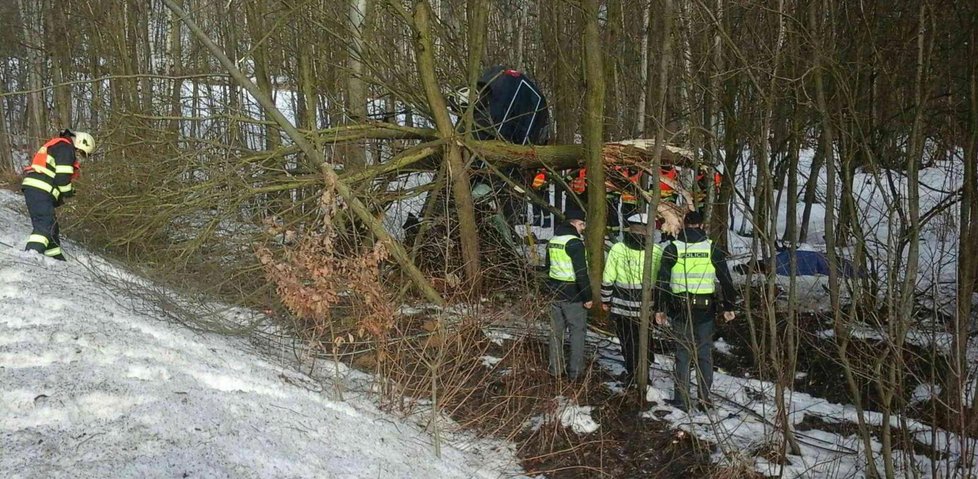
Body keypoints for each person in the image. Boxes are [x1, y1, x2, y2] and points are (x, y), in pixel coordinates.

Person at [654, 210, 736, 412]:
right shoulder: (712, 249)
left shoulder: (673, 248)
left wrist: (659, 308)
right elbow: (726, 279)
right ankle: (705, 400)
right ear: (701, 226)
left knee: (682, 355)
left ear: (683, 225)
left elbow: (662, 282)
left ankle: (681, 400)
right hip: (705, 310)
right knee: (705, 355)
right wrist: (729, 306)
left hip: (678, 309)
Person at [600, 213, 663, 385]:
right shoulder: (656, 251)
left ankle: (632, 373)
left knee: (627, 341)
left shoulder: (618, 249)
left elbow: (607, 278)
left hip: (622, 308)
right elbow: (662, 281)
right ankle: (644, 373)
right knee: (645, 340)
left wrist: (605, 300)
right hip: (646, 308)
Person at [21, 130, 95, 261]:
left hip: (38, 189)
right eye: (82, 153)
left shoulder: (62, 147)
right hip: (39, 189)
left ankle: (55, 257)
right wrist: (69, 192)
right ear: (78, 144)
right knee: (45, 225)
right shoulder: (66, 148)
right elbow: (62, 178)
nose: (81, 157)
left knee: (52, 226)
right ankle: (30, 255)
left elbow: (56, 177)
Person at [545, 209, 592, 380]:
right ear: (575, 223)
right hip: (573, 294)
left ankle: (555, 370)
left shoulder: (553, 240)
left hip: (554, 292)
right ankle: (576, 373)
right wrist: (587, 297)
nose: (582, 229)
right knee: (577, 333)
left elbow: (547, 268)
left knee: (555, 333)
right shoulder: (574, 243)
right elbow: (581, 273)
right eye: (581, 224)